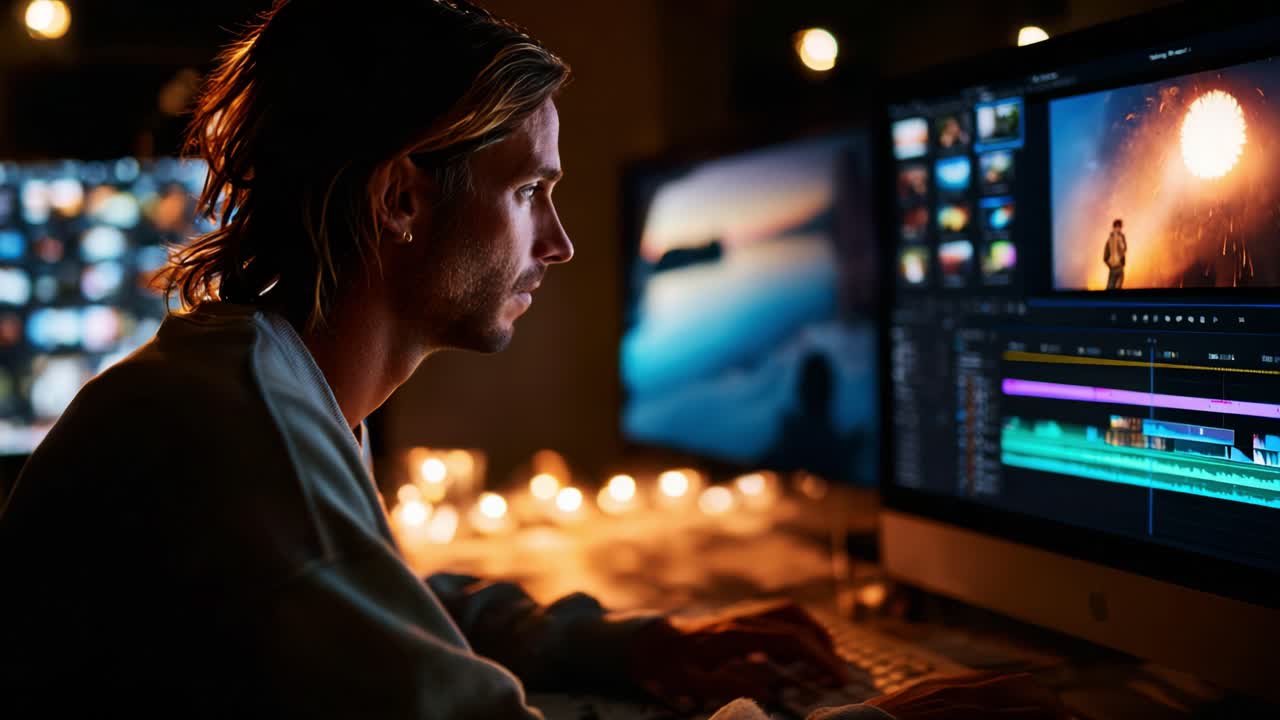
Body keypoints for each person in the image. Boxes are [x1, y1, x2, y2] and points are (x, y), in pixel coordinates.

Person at [0, 2, 1066, 718]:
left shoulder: (252, 383)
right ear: (401, 198)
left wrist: (636, 648)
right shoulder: (247, 429)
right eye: (527, 194)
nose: (556, 244)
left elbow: (380, 601)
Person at [1104, 218, 1127, 289]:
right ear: (1115, 227)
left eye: (1120, 227)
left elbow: (1124, 249)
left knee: (1112, 287)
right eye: (1118, 227)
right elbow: (1124, 249)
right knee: (1113, 287)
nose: (1120, 229)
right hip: (1116, 267)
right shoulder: (1116, 238)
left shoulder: (1112, 238)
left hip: (1116, 267)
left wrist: (1109, 264)